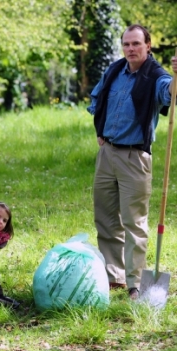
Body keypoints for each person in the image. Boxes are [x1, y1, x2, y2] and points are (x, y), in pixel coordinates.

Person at [87, 24, 177, 300]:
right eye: (126, 44)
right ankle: (113, 276)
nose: (130, 49)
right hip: (107, 153)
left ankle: (135, 284)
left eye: (136, 44)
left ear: (148, 45)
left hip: (135, 158)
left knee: (133, 223)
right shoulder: (115, 70)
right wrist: (100, 132)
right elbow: (97, 98)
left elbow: (169, 94)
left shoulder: (156, 75)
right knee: (105, 218)